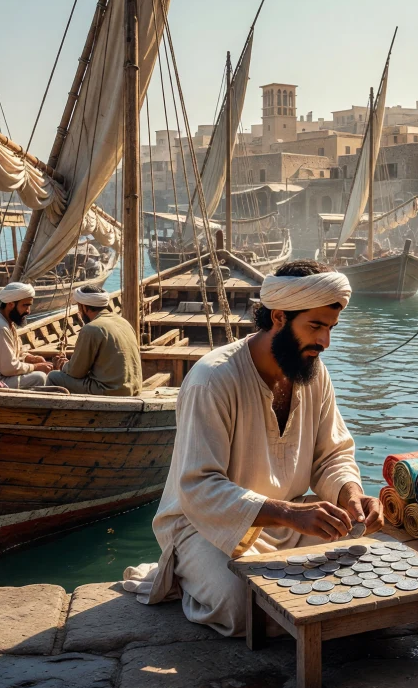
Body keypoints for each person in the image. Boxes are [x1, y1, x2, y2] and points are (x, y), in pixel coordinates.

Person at [133, 260, 380, 636]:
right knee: (244, 605)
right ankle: (186, 573)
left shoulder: (312, 372)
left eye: (330, 328)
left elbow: (332, 455)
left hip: (288, 521)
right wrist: (287, 513)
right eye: (315, 326)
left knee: (374, 557)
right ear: (279, 317)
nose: (324, 342)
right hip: (206, 529)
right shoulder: (212, 379)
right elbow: (199, 488)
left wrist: (351, 495)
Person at [48, 286, 142, 396]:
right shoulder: (124, 322)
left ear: (84, 307)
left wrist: (63, 365)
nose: (79, 312)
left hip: (110, 391)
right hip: (134, 389)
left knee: (53, 377)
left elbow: (76, 372)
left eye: (79, 308)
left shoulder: (91, 329)